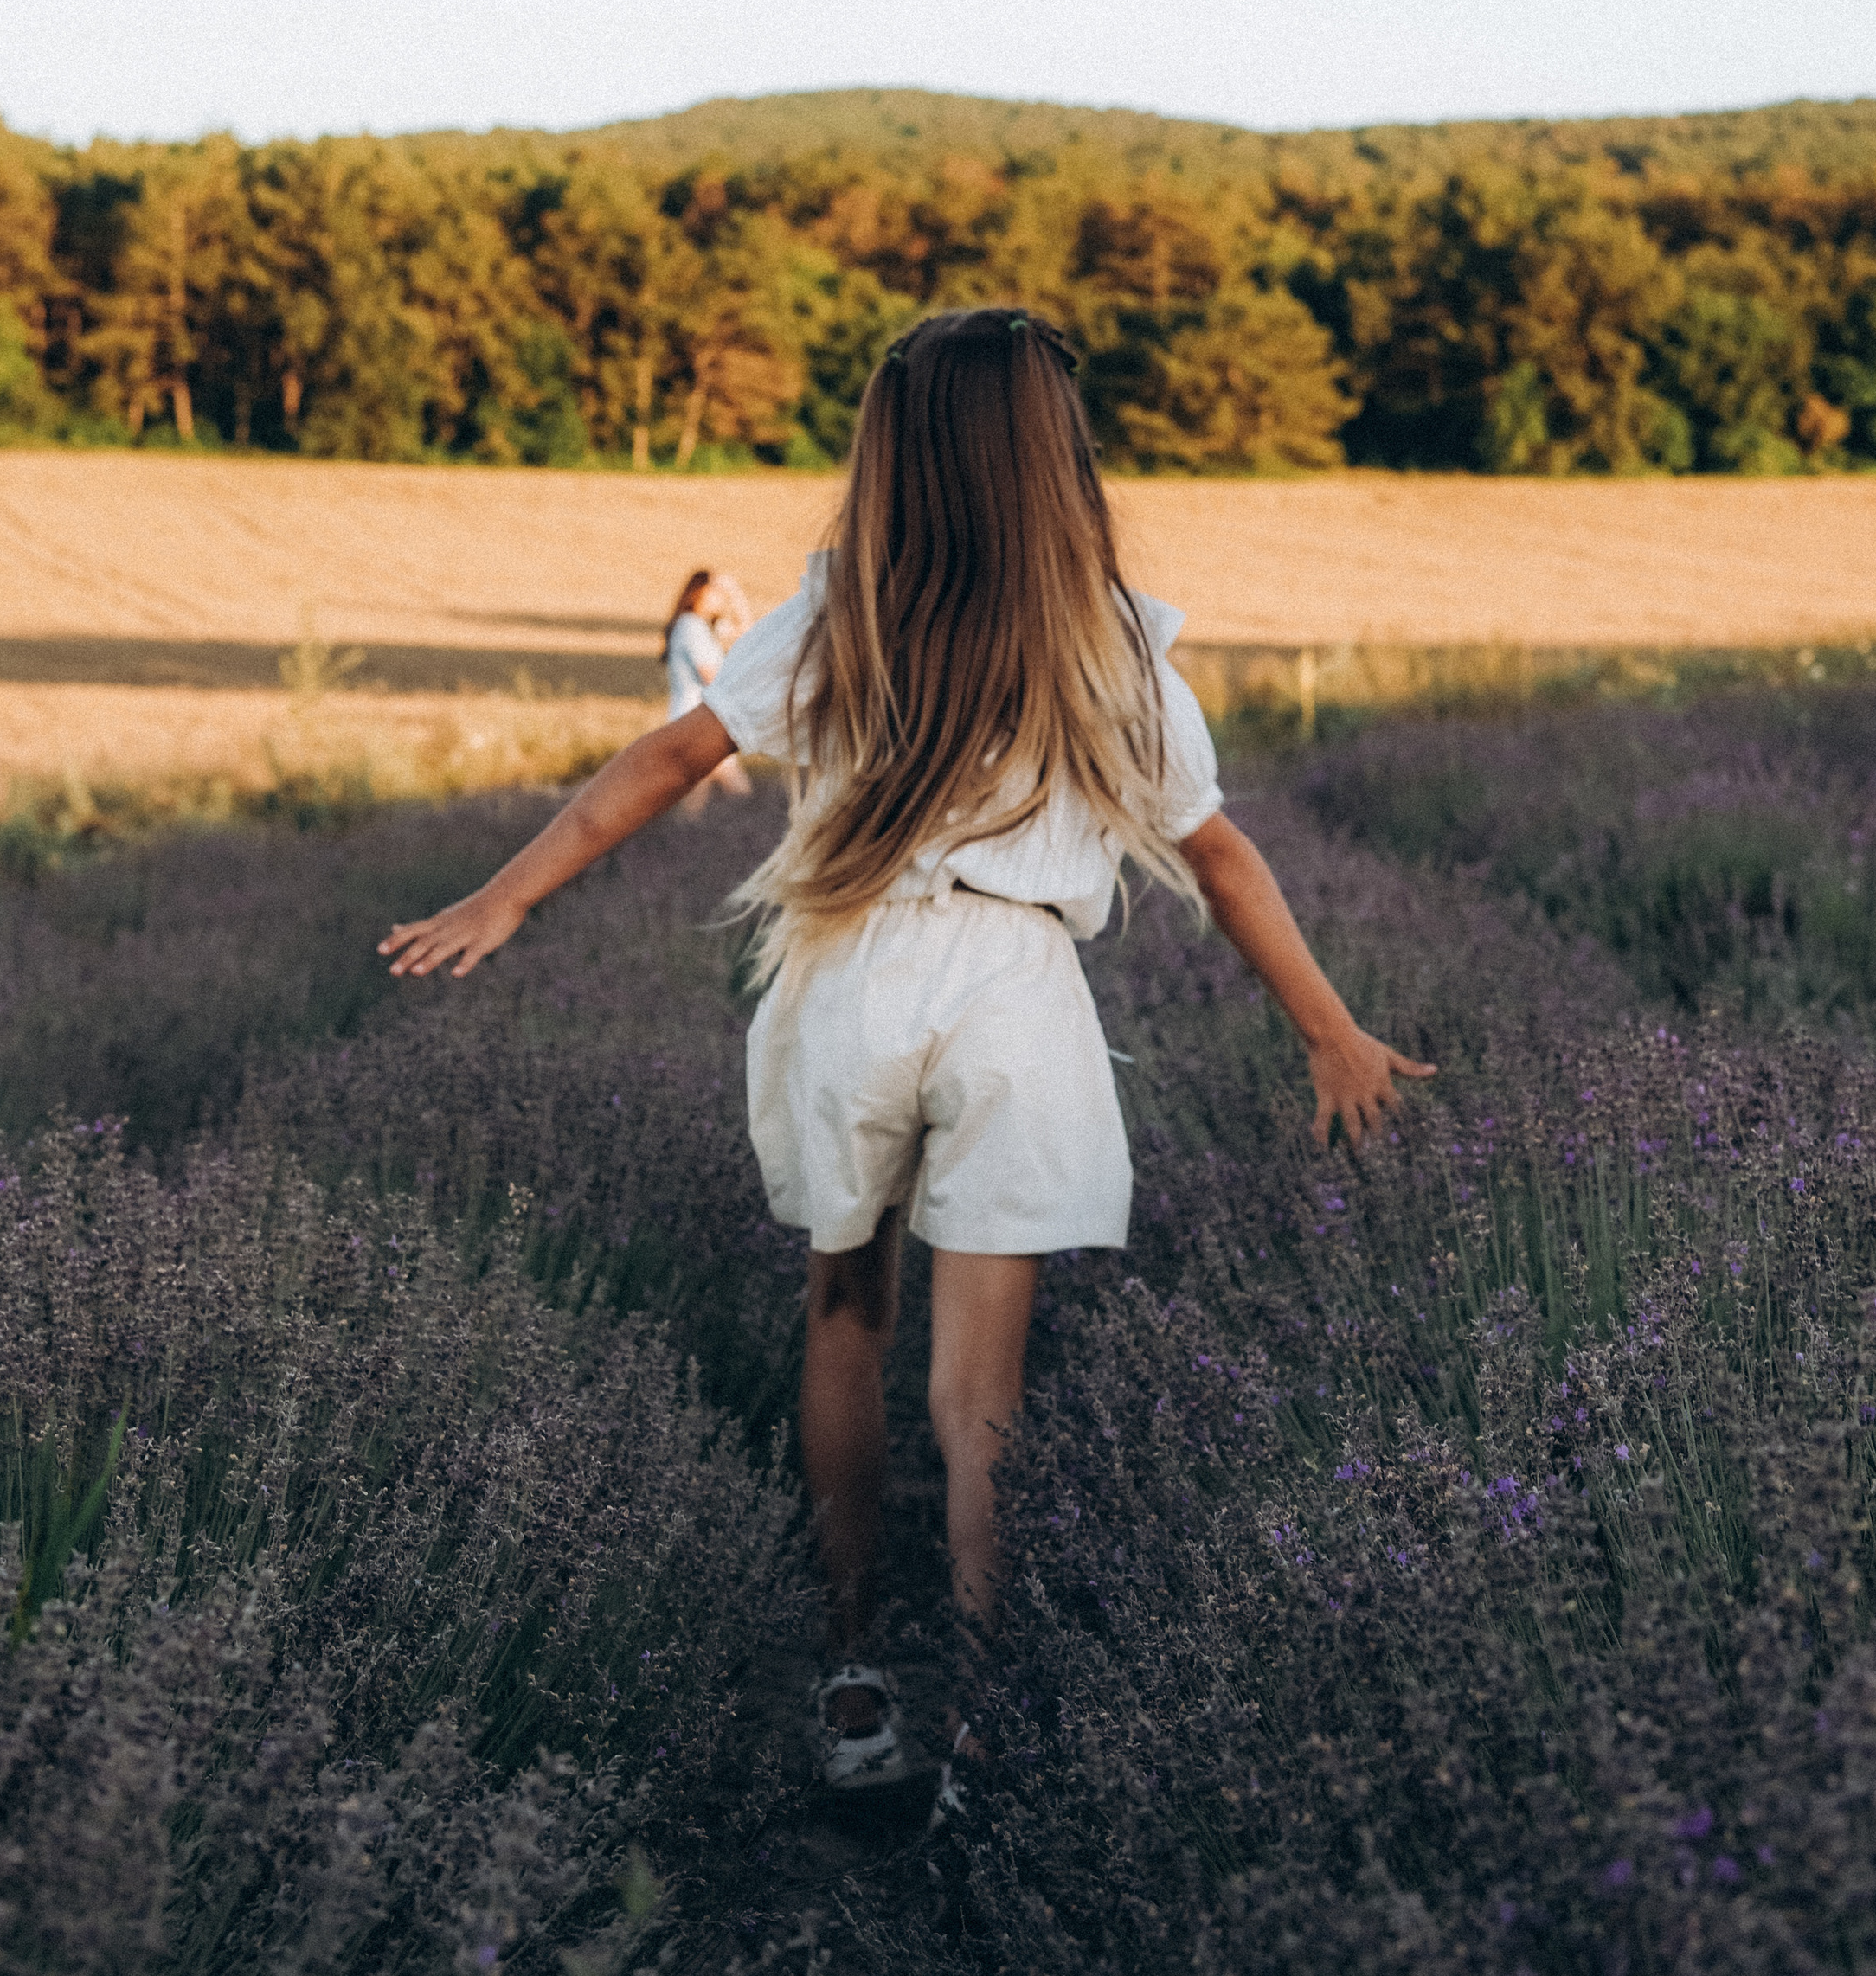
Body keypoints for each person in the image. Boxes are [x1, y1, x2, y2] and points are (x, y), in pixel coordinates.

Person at [379, 310, 1431, 1808]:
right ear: (1057, 464)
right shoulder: (1116, 647)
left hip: (853, 977)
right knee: (980, 1392)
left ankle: (855, 1667)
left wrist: (506, 896)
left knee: (846, 1318)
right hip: (1017, 1000)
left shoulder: (838, 616)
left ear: (896, 452)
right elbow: (1219, 853)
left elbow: (674, 760)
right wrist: (1332, 1035)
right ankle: (986, 1725)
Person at [663, 568, 751, 807]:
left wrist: (734, 592)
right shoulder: (692, 627)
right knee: (740, 792)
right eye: (716, 592)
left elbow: (748, 633)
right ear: (700, 592)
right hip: (698, 720)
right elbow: (712, 678)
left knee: (694, 799)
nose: (720, 598)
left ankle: (684, 837)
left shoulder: (700, 627)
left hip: (694, 719)